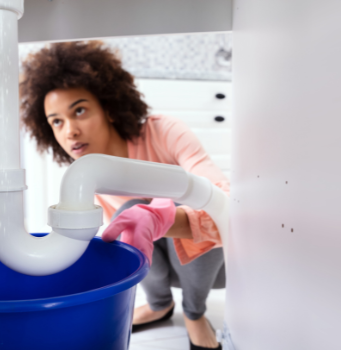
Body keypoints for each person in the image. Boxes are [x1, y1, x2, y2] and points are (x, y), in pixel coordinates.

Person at [20, 41, 227, 350]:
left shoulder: (164, 133)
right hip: (163, 273)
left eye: (79, 110)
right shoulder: (89, 175)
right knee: (127, 214)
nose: (70, 131)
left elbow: (226, 203)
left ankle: (194, 314)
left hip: (215, 266)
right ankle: (159, 304)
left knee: (177, 197)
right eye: (57, 122)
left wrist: (162, 217)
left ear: (109, 109)